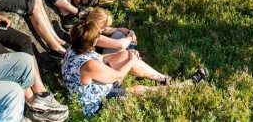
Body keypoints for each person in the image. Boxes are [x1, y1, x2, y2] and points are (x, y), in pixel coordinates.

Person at [62, 20, 209, 117]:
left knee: (124, 55)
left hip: (93, 86)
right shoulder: (88, 65)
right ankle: (181, 87)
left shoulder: (75, 48)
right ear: (93, 41)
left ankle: (165, 79)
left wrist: (124, 55)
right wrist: (131, 60)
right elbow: (118, 75)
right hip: (94, 104)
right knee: (138, 89)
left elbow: (102, 58)